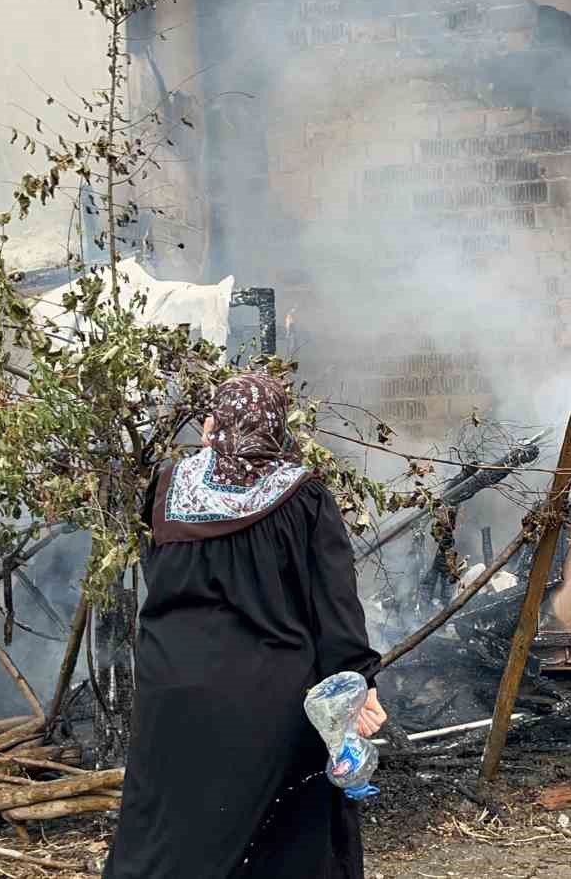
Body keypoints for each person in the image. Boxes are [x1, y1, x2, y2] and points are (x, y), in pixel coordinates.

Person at [104, 373, 387, 879]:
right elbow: (335, 604)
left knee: (170, 832)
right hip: (269, 699)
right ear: (277, 427)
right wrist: (358, 681)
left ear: (215, 423)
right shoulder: (302, 497)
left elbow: (159, 576)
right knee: (282, 842)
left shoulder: (168, 487)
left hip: (173, 692)